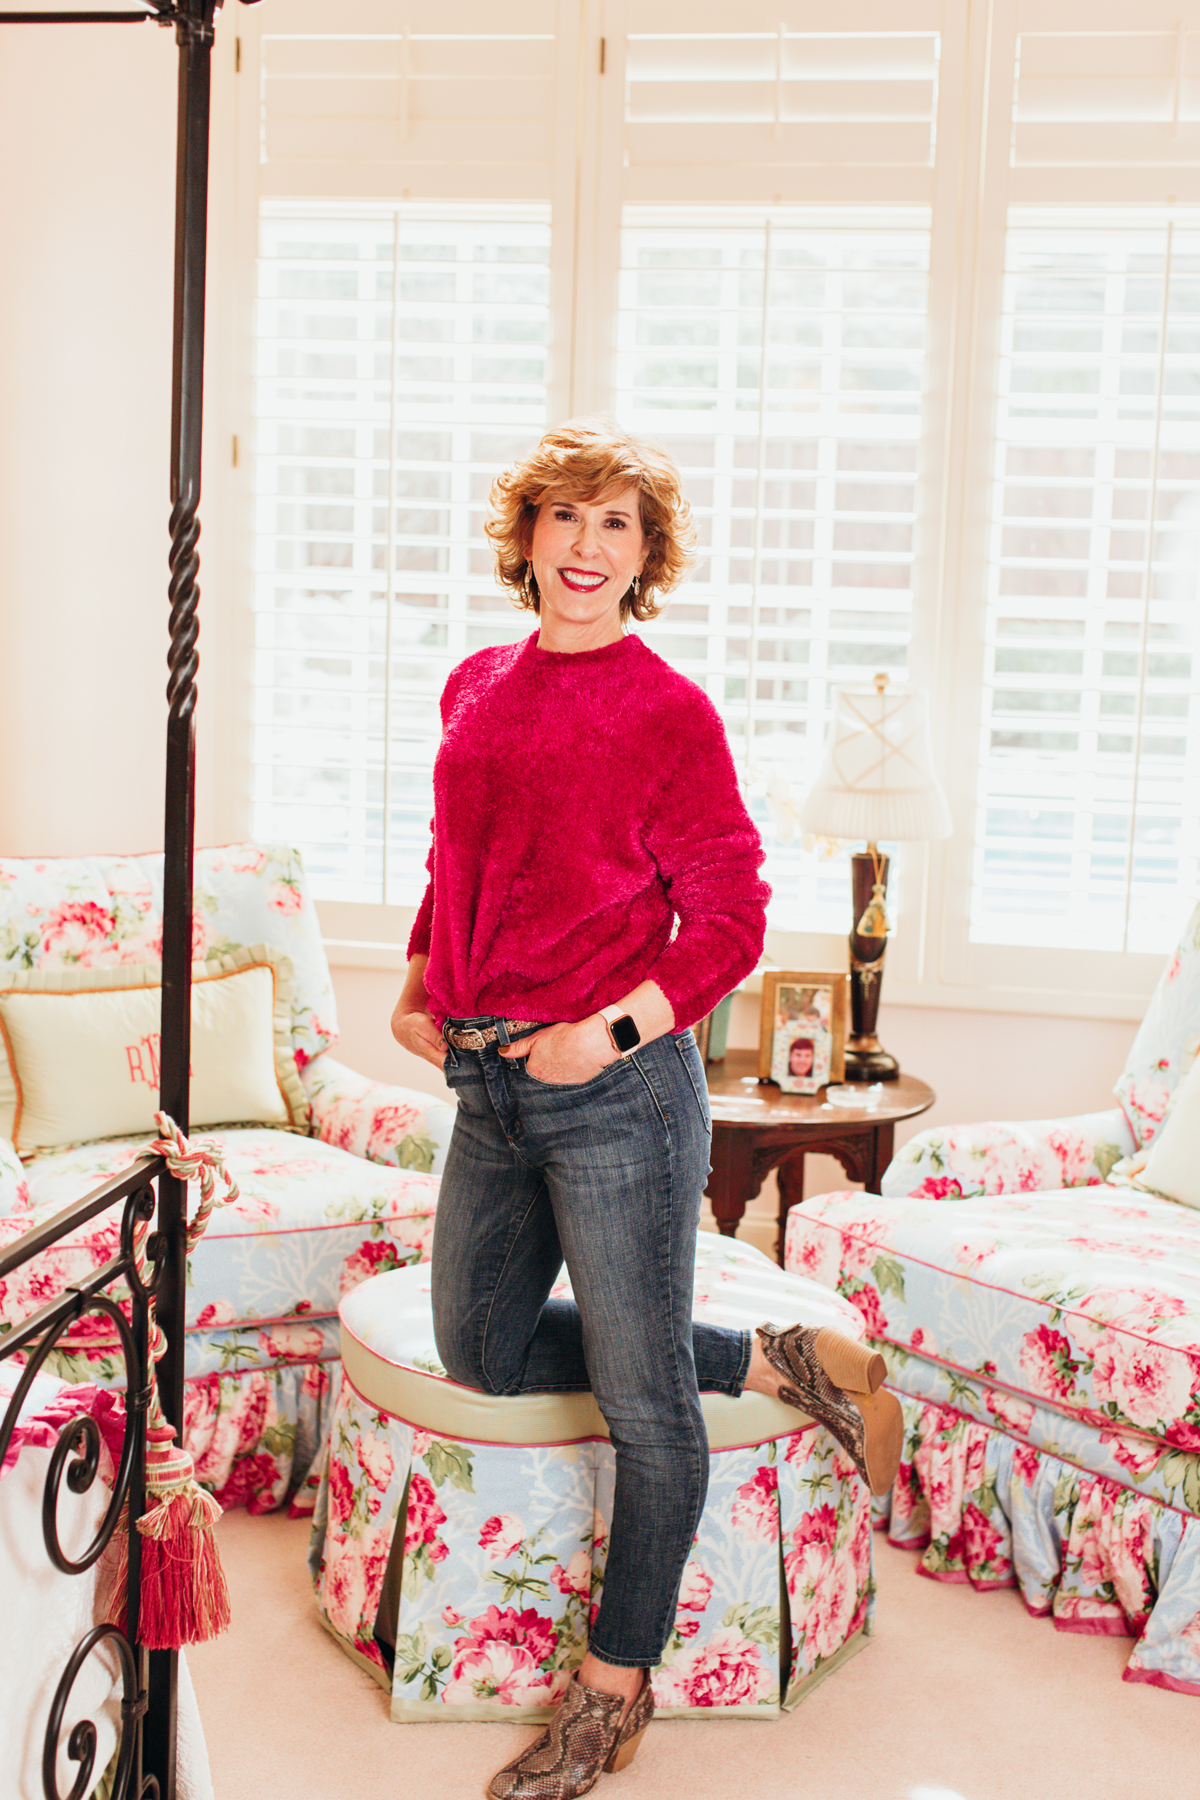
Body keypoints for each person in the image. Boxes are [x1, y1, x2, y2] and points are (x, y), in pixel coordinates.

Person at [391, 419, 902, 1800]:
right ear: (527, 539)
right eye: (565, 517)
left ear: (645, 557)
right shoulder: (475, 683)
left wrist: (606, 1029)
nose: (585, 545)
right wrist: (421, 972)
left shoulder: (667, 712)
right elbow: (458, 851)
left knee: (639, 1404)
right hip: (489, 1079)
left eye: (616, 524)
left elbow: (731, 913)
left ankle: (612, 1692)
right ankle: (763, 1355)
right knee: (481, 1344)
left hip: (617, 1089)